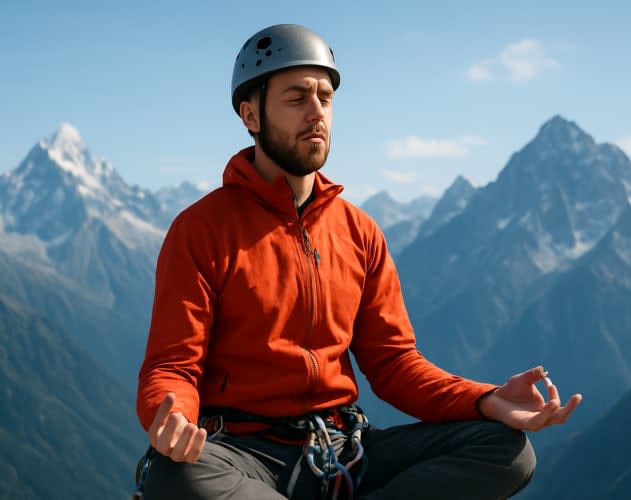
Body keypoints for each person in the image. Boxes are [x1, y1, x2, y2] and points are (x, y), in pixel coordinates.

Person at [135, 23, 582, 500]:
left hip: (343, 447)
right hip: (242, 455)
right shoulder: (202, 229)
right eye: (296, 98)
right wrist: (175, 416)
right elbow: (173, 365)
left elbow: (395, 364)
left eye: (325, 98)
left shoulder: (359, 232)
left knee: (507, 449)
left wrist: (485, 399)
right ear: (251, 115)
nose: (316, 113)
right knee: (175, 472)